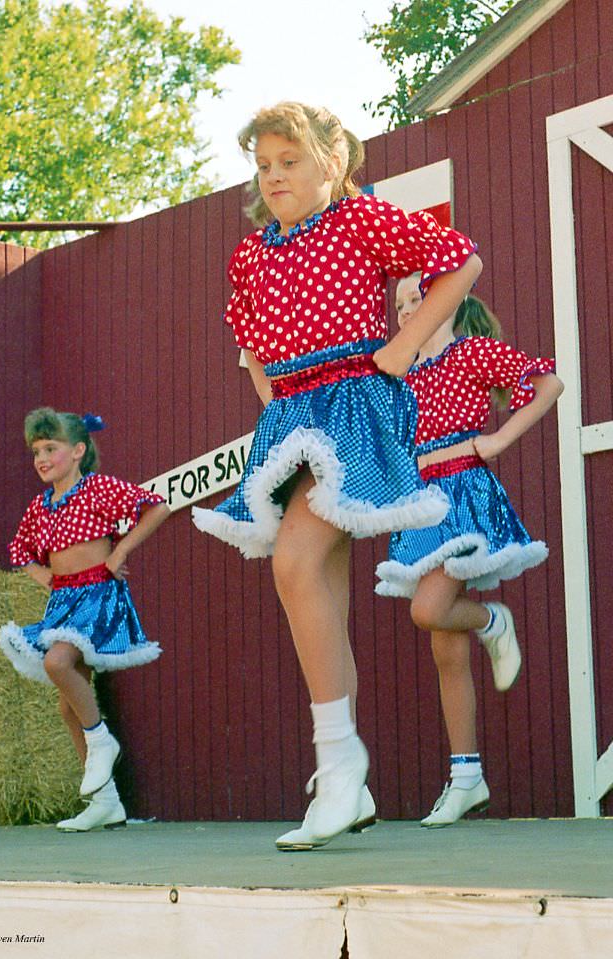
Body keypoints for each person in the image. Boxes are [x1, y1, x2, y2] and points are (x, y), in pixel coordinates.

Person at [192, 101, 482, 850]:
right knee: (318, 586)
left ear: (331, 161)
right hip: (294, 417)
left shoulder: (362, 221)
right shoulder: (251, 253)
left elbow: (461, 260)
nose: (274, 176)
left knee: (292, 560)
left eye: (290, 161)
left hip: (354, 403)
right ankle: (343, 775)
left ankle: (340, 759)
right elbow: (250, 343)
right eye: (263, 165)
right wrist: (275, 405)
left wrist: (402, 348)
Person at [376, 277, 563, 826]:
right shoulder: (400, 371)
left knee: (429, 610)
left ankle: (493, 620)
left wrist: (500, 440)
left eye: (418, 299)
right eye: (402, 305)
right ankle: (466, 778)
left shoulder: (472, 352)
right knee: (445, 649)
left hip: (462, 494)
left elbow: (547, 385)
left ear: (449, 302)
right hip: (420, 503)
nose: (408, 310)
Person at [0, 407, 170, 831]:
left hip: (98, 598)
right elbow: (20, 551)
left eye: (50, 448)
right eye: (36, 451)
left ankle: (101, 741)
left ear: (77, 451)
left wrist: (121, 552)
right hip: (63, 602)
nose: (41, 458)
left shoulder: (98, 489)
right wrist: (46, 576)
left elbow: (157, 508)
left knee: (57, 663)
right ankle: (106, 803)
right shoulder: (41, 506)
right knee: (66, 705)